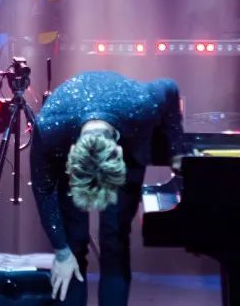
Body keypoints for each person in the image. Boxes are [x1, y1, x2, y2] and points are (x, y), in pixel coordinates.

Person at [30, 71, 184, 305]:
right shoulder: (49, 128)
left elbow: (170, 88)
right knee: (73, 241)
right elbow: (44, 191)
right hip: (68, 132)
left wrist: (176, 150)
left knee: (115, 240)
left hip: (127, 130)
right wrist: (61, 250)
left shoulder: (142, 104)